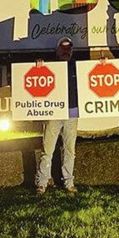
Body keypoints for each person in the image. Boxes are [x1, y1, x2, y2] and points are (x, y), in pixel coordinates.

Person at [34, 37, 79, 195]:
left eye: (69, 48)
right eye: (63, 48)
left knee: (69, 150)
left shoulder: (78, 67)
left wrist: (103, 63)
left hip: (72, 113)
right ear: (57, 50)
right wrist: (38, 67)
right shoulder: (48, 66)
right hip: (53, 113)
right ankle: (42, 182)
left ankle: (69, 182)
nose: (66, 51)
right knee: (47, 150)